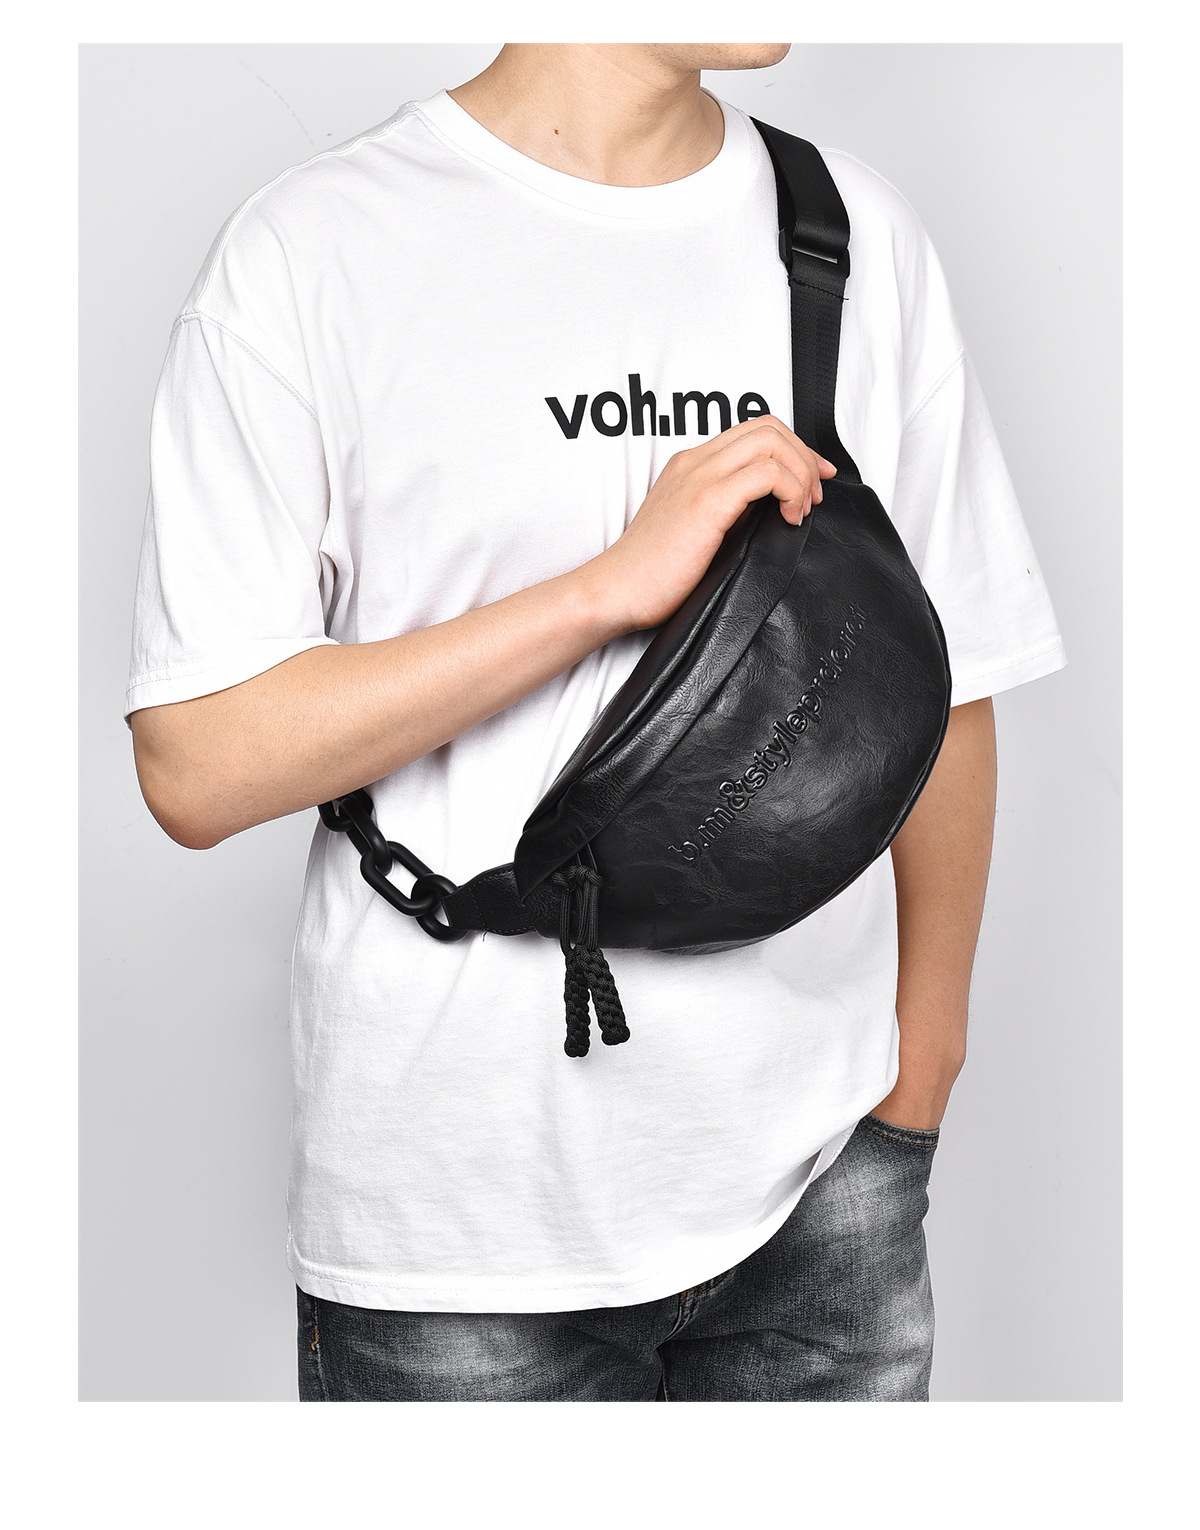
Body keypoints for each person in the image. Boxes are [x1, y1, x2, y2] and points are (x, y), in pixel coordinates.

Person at [126, 43, 1065, 1402]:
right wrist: (605, 591)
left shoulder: (849, 231)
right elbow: (197, 765)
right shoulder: (315, 251)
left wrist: (923, 1067)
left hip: (821, 1189)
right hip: (460, 1233)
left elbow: (947, 671)